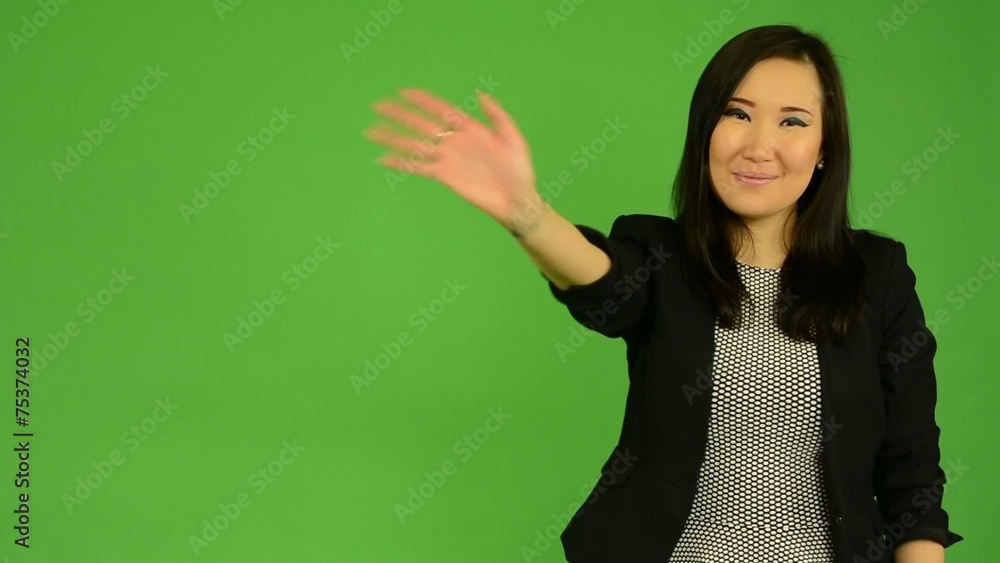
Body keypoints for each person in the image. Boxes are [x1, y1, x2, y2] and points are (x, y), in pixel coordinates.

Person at [364, 24, 962, 563]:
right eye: (737, 113)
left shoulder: (877, 273)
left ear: (826, 148)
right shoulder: (662, 257)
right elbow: (603, 284)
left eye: (793, 122)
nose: (759, 145)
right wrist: (527, 213)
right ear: (706, 131)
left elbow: (911, 474)